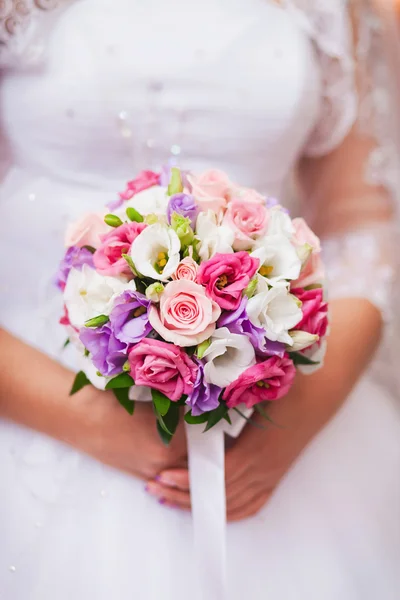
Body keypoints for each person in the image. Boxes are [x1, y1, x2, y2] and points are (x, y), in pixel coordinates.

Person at [0, 0, 400, 598]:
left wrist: (293, 424)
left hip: (273, 411)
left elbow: (361, 228)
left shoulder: (330, 11)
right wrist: (95, 423)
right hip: (32, 390)